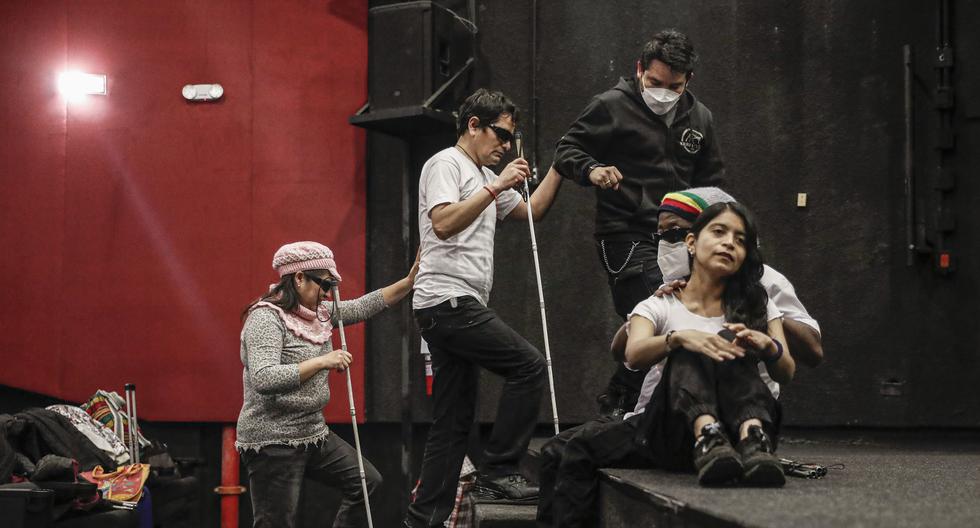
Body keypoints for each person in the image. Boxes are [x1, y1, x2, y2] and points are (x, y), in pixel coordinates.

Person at [538, 190, 821, 527]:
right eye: (719, 232)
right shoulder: (663, 301)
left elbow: (787, 370)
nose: (729, 243)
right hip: (671, 428)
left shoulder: (759, 302)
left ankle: (750, 438)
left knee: (730, 344)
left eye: (740, 239)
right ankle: (708, 434)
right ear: (691, 242)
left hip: (743, 433)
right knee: (693, 348)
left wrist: (767, 345)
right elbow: (630, 353)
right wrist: (678, 338)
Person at [402, 88, 563, 528]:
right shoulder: (446, 164)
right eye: (501, 134)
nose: (506, 145)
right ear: (473, 125)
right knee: (529, 365)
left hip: (454, 304)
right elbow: (443, 222)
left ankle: (423, 520)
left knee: (452, 424)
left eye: (510, 138)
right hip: (447, 300)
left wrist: (560, 168)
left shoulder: (480, 172)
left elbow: (532, 212)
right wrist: (495, 185)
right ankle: (499, 470)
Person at [553, 29, 726, 415]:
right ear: (639, 70)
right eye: (655, 83)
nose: (663, 92)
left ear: (688, 81)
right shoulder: (610, 105)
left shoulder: (700, 118)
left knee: (674, 315)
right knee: (664, 307)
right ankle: (629, 402)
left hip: (680, 238)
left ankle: (622, 399)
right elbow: (566, 150)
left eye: (674, 86)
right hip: (624, 233)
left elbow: (712, 182)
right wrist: (592, 169)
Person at [236, 241, 418, 528]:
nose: (328, 293)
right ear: (298, 278)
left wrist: (409, 282)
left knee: (367, 484)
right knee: (276, 523)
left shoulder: (319, 313)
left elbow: (362, 306)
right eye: (324, 284)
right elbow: (264, 378)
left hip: (313, 433)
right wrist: (323, 362)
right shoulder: (266, 318)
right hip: (273, 439)